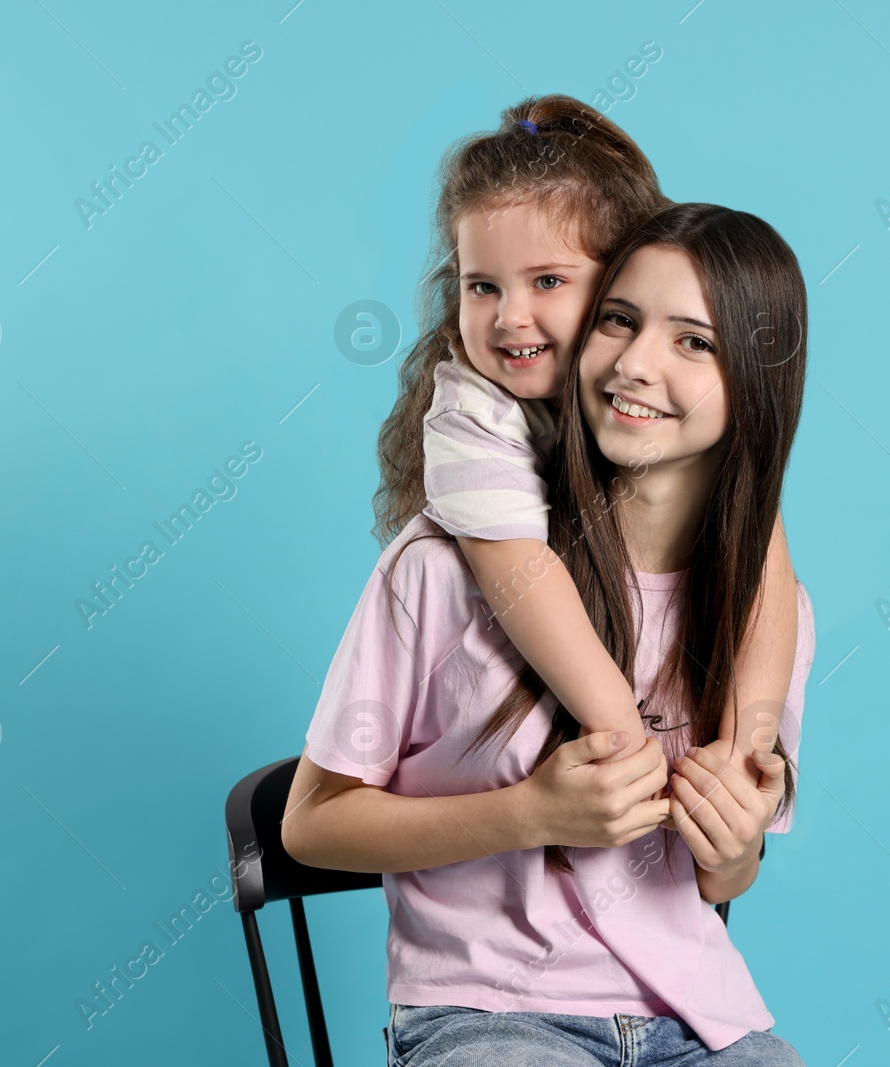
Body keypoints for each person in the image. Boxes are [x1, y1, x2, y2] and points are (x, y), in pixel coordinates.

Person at [282, 202, 814, 1064]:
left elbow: (727, 878)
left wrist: (734, 840)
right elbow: (309, 825)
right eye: (618, 320)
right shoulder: (440, 571)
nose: (638, 364)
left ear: (756, 377)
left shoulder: (760, 606)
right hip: (490, 1017)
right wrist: (527, 814)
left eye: (695, 341)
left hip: (698, 1020)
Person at [372, 94, 800, 798]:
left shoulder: (645, 408)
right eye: (482, 286)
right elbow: (517, 571)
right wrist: (624, 738)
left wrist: (744, 750)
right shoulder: (470, 409)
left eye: (547, 281)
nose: (510, 318)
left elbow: (760, 543)